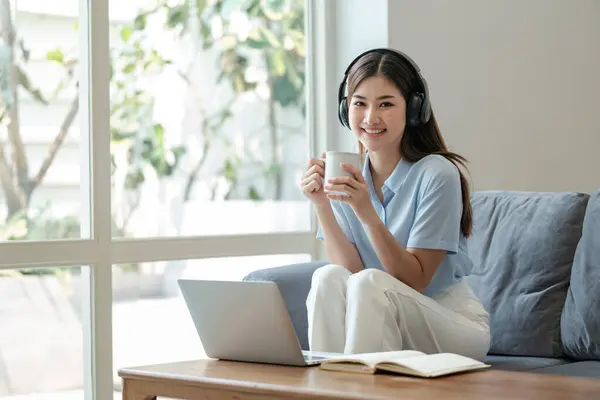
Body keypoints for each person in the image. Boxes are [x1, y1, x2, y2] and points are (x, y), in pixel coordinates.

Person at [299, 48, 490, 360]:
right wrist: (321, 204)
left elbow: (415, 280)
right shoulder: (350, 174)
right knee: (328, 277)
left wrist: (367, 214)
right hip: (377, 307)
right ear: (345, 109)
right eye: (360, 103)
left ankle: (360, 393)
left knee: (370, 284)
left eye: (386, 104)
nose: (371, 117)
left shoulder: (437, 174)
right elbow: (349, 270)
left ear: (414, 109)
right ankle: (327, 388)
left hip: (451, 321)